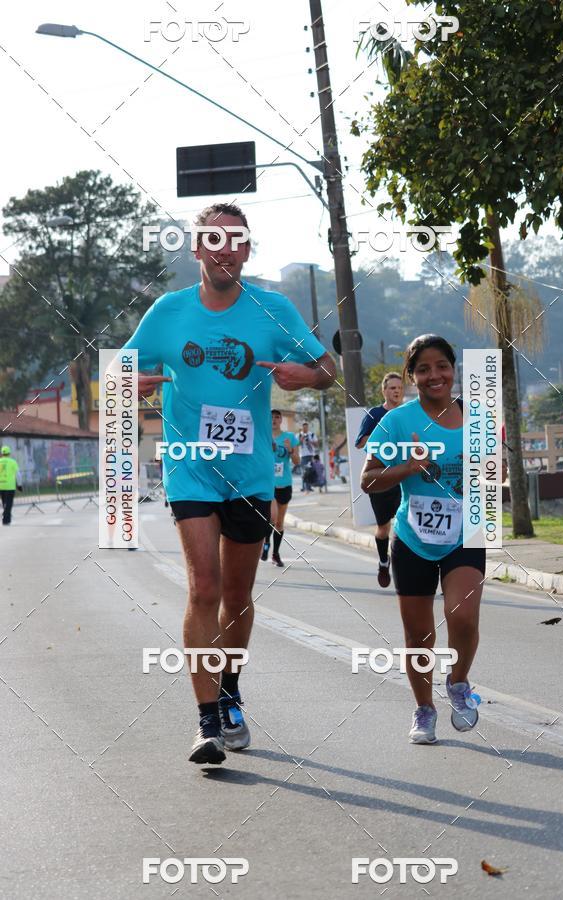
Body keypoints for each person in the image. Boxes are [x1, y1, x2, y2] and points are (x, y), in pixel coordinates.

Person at [126, 202, 335, 765]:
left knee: (238, 597)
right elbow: (118, 372)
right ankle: (206, 723)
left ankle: (230, 692)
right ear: (197, 248)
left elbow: (328, 369)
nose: (224, 250)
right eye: (212, 240)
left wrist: (307, 376)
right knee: (204, 589)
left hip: (250, 473)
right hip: (189, 467)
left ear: (246, 249)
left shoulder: (273, 310)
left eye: (235, 239)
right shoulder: (168, 312)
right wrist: (134, 381)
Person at [361, 334, 485, 745]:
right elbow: (368, 480)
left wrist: (491, 472)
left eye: (442, 366)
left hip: (466, 534)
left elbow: (492, 475)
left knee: (463, 617)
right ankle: (424, 708)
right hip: (414, 539)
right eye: (424, 369)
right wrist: (408, 468)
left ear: (454, 370)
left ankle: (458, 682)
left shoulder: (478, 417)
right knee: (419, 638)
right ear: (412, 376)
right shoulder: (397, 422)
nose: (435, 375)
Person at [355, 372, 404, 587]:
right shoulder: (374, 414)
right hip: (380, 479)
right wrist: (383, 435)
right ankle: (384, 561)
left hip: (404, 477)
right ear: (384, 391)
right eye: (392, 388)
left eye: (399, 388)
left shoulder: (407, 413)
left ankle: (407, 569)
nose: (396, 391)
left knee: (407, 526)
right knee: (384, 528)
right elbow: (360, 443)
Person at [261, 409, 300, 567]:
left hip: (284, 484)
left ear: (281, 420)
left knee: (279, 522)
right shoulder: (263, 436)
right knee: (271, 517)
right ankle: (266, 544)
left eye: (277, 417)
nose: (274, 420)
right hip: (267, 484)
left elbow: (297, 461)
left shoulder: (289, 437)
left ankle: (275, 554)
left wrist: (290, 450)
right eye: (271, 417)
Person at [0, 445, 23, 525]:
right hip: (10, 486)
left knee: (4, 503)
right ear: (9, 453)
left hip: (1, 486)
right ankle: (6, 519)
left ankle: (6, 516)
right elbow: (18, 474)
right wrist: (19, 485)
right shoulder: (12, 462)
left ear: (2, 453)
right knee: (9, 503)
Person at [298, 421, 319, 492]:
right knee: (304, 471)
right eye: (303, 427)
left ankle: (309, 487)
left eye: (306, 427)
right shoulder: (299, 435)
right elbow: (297, 444)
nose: (305, 428)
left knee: (310, 471)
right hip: (303, 455)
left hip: (311, 455)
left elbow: (316, 445)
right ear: (302, 427)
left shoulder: (312, 434)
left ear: (308, 427)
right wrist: (301, 439)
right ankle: (304, 487)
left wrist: (310, 441)